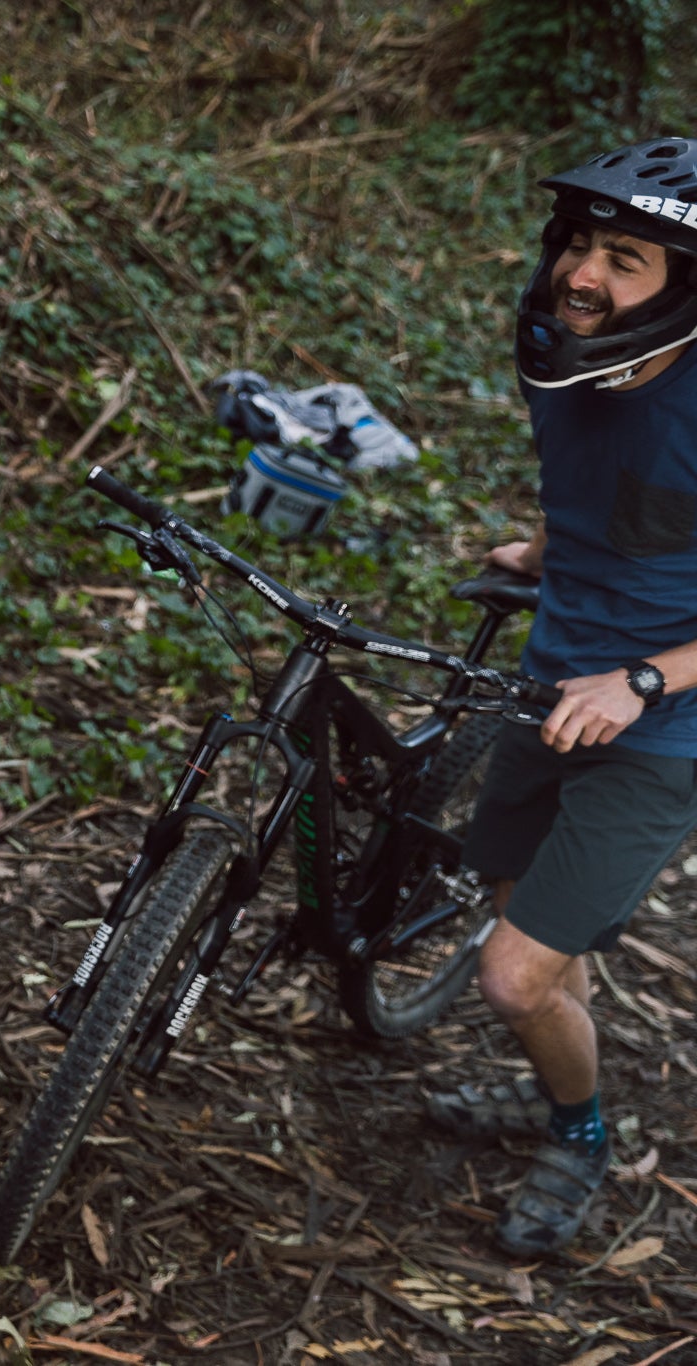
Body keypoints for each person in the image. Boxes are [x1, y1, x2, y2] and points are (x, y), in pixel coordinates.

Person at [425, 137, 697, 1256]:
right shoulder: (566, 354)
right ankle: (553, 1073)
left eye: (624, 259)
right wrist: (542, 550)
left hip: (661, 724)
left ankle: (579, 1136)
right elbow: (596, 486)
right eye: (579, 244)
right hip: (549, 680)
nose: (582, 274)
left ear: (682, 287)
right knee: (533, 940)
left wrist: (642, 680)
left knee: (509, 977)